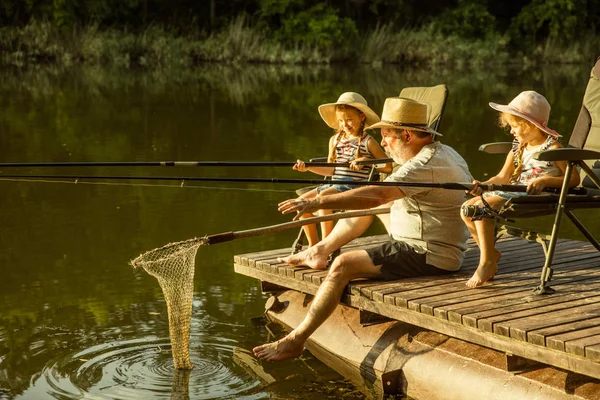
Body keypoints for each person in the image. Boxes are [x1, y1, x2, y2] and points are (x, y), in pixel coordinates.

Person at [253, 97, 473, 362]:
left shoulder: (422, 165)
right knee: (371, 206)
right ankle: (319, 250)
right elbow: (378, 198)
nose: (383, 143)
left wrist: (317, 201)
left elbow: (378, 194)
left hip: (427, 252)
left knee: (343, 265)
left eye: (387, 136)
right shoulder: (445, 152)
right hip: (430, 237)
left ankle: (295, 340)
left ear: (407, 135)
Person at [461, 90, 580, 289]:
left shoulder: (554, 149)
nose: (511, 131)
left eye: (515, 126)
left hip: (536, 195)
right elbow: (502, 177)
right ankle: (490, 253)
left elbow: (574, 179)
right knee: (467, 208)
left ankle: (486, 262)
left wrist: (546, 180)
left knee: (480, 209)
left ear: (530, 124)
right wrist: (483, 185)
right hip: (513, 191)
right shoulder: (518, 147)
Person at [292, 92, 392, 247]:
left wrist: (368, 162)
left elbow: (387, 166)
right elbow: (331, 170)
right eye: (341, 121)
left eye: (349, 119)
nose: (345, 124)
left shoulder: (368, 142)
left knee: (323, 198)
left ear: (362, 117)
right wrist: (308, 167)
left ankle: (326, 246)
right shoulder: (335, 140)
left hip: (354, 186)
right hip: (334, 185)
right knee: (301, 202)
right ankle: (313, 245)